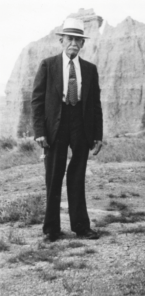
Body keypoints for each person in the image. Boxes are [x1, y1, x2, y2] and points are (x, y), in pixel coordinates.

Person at [31, 18, 103, 241]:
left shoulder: (90, 69)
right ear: (61, 40)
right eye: (70, 38)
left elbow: (95, 104)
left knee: (77, 176)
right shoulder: (48, 64)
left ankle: (81, 227)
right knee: (53, 177)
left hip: (80, 125)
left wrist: (97, 135)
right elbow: (37, 100)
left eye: (78, 39)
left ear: (83, 43)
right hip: (55, 126)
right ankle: (51, 229)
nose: (73, 42)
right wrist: (40, 131)